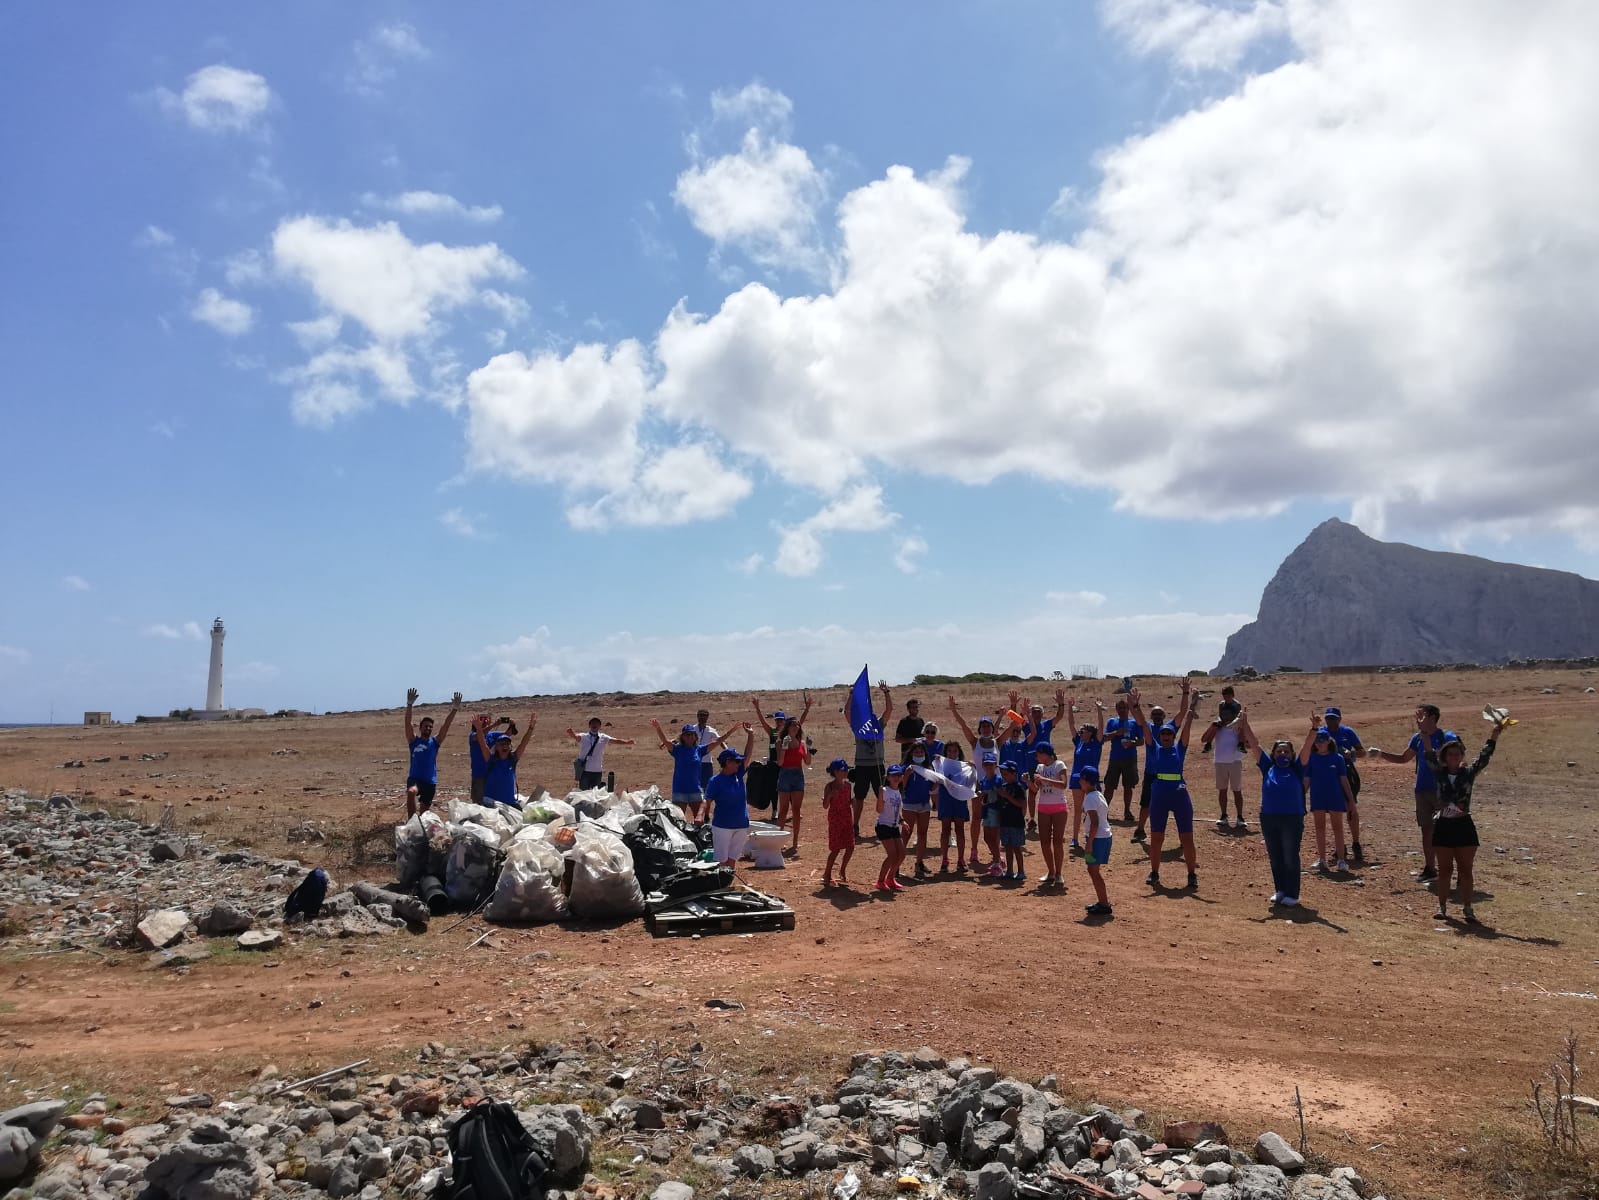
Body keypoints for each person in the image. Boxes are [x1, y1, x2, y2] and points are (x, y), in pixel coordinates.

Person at [1424, 713, 1510, 923]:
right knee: (1444, 870)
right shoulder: (1439, 773)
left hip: (1463, 825)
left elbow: (1485, 756)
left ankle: (1468, 908)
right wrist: (1424, 731)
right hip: (1444, 825)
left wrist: (1495, 734)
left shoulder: (1469, 773)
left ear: (1462, 756)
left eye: (1457, 754)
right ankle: (1442, 907)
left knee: (1465, 870)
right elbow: (1428, 753)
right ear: (1445, 757)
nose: (1454, 757)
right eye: (1450, 754)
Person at [1370, 704, 1456, 883]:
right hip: (1422, 789)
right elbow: (1404, 758)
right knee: (1426, 830)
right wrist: (1380, 754)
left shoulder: (1447, 737)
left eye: (1422, 715)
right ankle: (1430, 868)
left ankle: (1449, 869)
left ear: (1432, 717)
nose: (1418, 719)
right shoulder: (1417, 738)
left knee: (1446, 831)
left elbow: (1454, 759)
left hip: (1442, 791)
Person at [1238, 708, 1311, 907]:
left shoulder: (1298, 768)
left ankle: (1292, 894)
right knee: (1275, 856)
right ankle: (1280, 890)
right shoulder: (1267, 767)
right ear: (1273, 754)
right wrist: (1245, 724)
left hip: (1292, 818)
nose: (1282, 754)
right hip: (1269, 818)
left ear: (1292, 754)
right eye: (1279, 751)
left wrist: (1313, 729)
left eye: (1286, 751)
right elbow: (1254, 744)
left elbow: (1307, 747)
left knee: (1290, 855)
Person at [1129, 685, 1200, 889]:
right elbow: (1144, 725)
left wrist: (1193, 703)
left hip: (1179, 795)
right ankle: (1154, 873)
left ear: (1173, 736)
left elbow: (1187, 724)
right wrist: (1136, 706)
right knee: (1157, 837)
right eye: (1164, 734)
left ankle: (1192, 874)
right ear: (1160, 737)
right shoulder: (1154, 748)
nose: (1166, 735)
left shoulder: (1180, 748)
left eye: (1169, 734)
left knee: (1186, 837)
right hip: (1159, 795)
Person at [948, 698, 1016, 870]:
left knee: (996, 818)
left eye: (988, 726)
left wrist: (1013, 707)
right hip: (979, 785)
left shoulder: (998, 742)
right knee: (977, 818)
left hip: (996, 785)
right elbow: (963, 725)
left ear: (992, 728)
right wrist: (954, 711)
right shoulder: (975, 742)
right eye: (983, 726)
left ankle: (996, 852)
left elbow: (1012, 726)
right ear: (979, 729)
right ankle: (974, 849)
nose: (986, 729)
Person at [1131, 679, 1189, 843]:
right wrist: (1135, 705)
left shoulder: (1170, 728)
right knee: (1145, 803)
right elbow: (1140, 720)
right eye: (1154, 714)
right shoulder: (1148, 728)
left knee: (1176, 806)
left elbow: (1182, 712)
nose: (1157, 716)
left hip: (1169, 774)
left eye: (1159, 714)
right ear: (1151, 716)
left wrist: (1185, 693)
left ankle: (1183, 837)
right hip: (1151, 773)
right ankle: (1140, 830)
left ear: (1164, 716)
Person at [648, 719, 729, 824]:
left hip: (695, 790)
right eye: (687, 735)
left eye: (692, 734)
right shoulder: (677, 750)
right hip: (679, 791)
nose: (690, 737)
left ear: (695, 736)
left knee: (699, 821)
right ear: (682, 737)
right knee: (678, 821)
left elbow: (717, 742)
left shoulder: (699, 750)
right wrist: (658, 728)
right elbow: (665, 741)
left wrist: (731, 731)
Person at [1302, 712, 1355, 873]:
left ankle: (1341, 860)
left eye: (1322, 741)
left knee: (1337, 828)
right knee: (1319, 828)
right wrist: (1300, 797)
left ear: (1328, 742)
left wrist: (1351, 800)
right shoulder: (1312, 758)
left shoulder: (1337, 758)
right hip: (1318, 796)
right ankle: (1322, 859)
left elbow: (1344, 780)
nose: (1319, 744)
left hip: (1335, 797)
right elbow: (1307, 780)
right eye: (1317, 741)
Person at [913, 741, 975, 874]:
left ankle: (961, 859)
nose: (952, 753)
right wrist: (938, 763)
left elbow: (970, 783)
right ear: (945, 752)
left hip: (959, 800)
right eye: (949, 751)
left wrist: (973, 768)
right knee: (945, 829)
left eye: (955, 751)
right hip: (945, 799)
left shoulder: (964, 766)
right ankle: (944, 860)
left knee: (960, 830)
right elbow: (935, 779)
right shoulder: (941, 765)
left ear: (959, 753)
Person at [704, 723, 758, 867]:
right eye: (736, 761)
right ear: (727, 762)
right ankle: (723, 880)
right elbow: (707, 800)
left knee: (732, 860)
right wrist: (702, 815)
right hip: (722, 826)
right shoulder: (715, 781)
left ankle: (729, 878)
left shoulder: (738, 774)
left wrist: (751, 735)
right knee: (722, 861)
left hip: (741, 824)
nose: (739, 764)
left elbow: (748, 755)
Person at [404, 687, 460, 817]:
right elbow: (407, 723)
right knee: (411, 792)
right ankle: (412, 821)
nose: (428, 728)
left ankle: (420, 823)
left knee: (424, 814)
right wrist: (409, 704)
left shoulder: (435, 742)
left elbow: (446, 725)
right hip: (415, 779)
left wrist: (455, 709)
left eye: (430, 727)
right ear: (420, 728)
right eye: (426, 726)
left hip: (430, 782)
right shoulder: (413, 741)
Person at [1321, 707, 1365, 859]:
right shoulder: (1321, 732)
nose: (1331, 721)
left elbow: (1362, 751)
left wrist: (1351, 753)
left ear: (1339, 719)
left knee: (1351, 807)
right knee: (1334, 811)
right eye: (1328, 718)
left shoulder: (1347, 732)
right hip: (1328, 773)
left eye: (1334, 718)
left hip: (1347, 771)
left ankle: (1356, 843)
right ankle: (1341, 846)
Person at [1201, 685, 1247, 830]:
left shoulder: (1236, 714)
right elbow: (1203, 738)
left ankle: (1240, 816)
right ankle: (1224, 815)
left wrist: (1239, 723)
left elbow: (1241, 720)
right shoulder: (1219, 722)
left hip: (1235, 761)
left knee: (1237, 790)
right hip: (1220, 761)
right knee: (1222, 790)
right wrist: (1214, 726)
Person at [851, 681, 893, 842]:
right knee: (859, 797)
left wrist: (886, 693)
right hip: (862, 766)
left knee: (882, 795)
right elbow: (847, 712)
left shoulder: (879, 725)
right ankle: (855, 825)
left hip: (877, 765)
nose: (872, 718)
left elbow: (889, 710)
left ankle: (886, 823)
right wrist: (851, 695)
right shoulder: (859, 727)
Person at [1068, 698, 1107, 853]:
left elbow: (1101, 727)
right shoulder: (1079, 742)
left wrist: (1099, 709)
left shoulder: (1096, 743)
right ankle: (1074, 839)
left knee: (1092, 809)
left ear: (1090, 733)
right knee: (1078, 809)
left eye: (1083, 731)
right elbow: (1071, 724)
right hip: (1077, 779)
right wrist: (1069, 707)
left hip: (1091, 780)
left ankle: (1092, 836)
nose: (1080, 733)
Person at [1029, 741, 1070, 888]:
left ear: (1046, 754)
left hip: (1059, 807)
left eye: (1038, 754)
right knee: (1044, 842)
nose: (1036, 757)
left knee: (1057, 842)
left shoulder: (1059, 765)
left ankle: (1059, 874)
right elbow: (1036, 789)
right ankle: (1051, 872)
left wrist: (1044, 779)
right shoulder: (1040, 767)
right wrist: (1028, 782)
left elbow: (1063, 785)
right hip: (1043, 807)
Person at [476, 712, 536, 808]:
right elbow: (482, 743)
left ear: (510, 747)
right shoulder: (491, 760)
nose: (505, 746)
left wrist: (531, 728)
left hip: (510, 804)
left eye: (507, 744)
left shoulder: (513, 760)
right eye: (502, 744)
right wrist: (478, 728)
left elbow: (524, 743)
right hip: (492, 804)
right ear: (496, 747)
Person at [1102, 698, 1144, 822]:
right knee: (1109, 786)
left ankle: (1127, 811)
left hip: (1130, 758)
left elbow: (1141, 741)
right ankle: (1104, 812)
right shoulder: (1111, 722)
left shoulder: (1134, 723)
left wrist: (1132, 743)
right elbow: (1104, 738)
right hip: (1115, 758)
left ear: (1128, 709)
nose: (1122, 710)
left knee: (1128, 786)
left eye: (1124, 708)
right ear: (1116, 709)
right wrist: (1116, 733)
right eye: (1119, 708)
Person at [1078, 765, 1112, 916]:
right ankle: (1102, 902)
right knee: (1093, 870)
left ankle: (1104, 904)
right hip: (1103, 837)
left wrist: (1089, 844)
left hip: (1097, 839)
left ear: (1085, 781)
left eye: (1081, 780)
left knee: (1093, 871)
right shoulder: (1097, 794)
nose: (1079, 782)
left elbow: (1095, 822)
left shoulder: (1090, 799)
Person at [565, 717, 635, 790]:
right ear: (589, 725)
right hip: (585, 771)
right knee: (584, 792)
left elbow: (615, 741)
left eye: (597, 723)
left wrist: (627, 742)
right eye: (593, 723)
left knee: (596, 793)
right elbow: (576, 737)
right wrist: (571, 733)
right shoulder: (584, 736)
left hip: (597, 771)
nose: (594, 725)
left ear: (599, 726)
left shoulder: (603, 737)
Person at [901, 741, 937, 877]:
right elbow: (901, 786)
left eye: (921, 752)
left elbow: (932, 787)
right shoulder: (906, 768)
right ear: (911, 753)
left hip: (924, 804)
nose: (919, 754)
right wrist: (907, 775)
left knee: (922, 834)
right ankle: (896, 864)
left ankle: (919, 863)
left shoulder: (929, 768)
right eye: (916, 752)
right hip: (909, 805)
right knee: (906, 834)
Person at [822, 758, 856, 887]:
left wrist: (853, 802)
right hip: (835, 819)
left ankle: (842, 870)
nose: (846, 772)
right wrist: (829, 796)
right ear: (835, 772)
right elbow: (825, 806)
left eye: (846, 770)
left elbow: (848, 801)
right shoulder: (829, 786)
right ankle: (827, 873)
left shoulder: (848, 786)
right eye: (843, 770)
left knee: (850, 846)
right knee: (835, 848)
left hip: (847, 817)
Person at [875, 764, 908, 892]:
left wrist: (902, 821)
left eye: (898, 775)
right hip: (884, 826)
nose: (896, 777)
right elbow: (879, 810)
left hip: (894, 826)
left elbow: (896, 810)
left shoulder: (897, 792)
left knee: (902, 854)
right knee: (892, 855)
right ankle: (880, 881)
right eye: (893, 775)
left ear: (902, 777)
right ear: (888, 777)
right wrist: (880, 796)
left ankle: (890, 878)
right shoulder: (884, 791)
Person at [468, 715, 514, 804]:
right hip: (479, 774)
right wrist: (494, 725)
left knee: (491, 801)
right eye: (482, 719)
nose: (485, 721)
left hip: (491, 774)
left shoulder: (492, 735)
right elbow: (479, 735)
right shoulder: (473, 735)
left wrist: (512, 725)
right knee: (478, 801)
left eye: (487, 718)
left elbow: (507, 735)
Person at [996, 761, 1028, 881]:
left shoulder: (1019, 787)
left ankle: (1021, 871)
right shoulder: (1004, 787)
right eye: (1002, 773)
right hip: (1005, 822)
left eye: (1006, 773)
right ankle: (1009, 871)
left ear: (1014, 773)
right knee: (1007, 847)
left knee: (1016, 848)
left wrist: (1007, 796)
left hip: (1016, 823)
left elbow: (1021, 804)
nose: (1003, 776)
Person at [975, 752, 1004, 875]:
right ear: (983, 766)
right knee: (988, 837)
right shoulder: (983, 780)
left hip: (996, 811)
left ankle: (997, 863)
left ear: (995, 765)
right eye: (986, 764)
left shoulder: (999, 780)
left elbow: (1002, 796)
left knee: (993, 837)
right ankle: (998, 860)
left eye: (991, 764)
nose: (988, 767)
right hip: (987, 811)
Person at [692, 709, 720, 793]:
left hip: (707, 762)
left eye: (704, 716)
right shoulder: (692, 729)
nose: (702, 718)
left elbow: (719, 741)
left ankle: (705, 800)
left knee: (707, 786)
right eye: (700, 716)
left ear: (707, 717)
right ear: (697, 716)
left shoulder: (711, 730)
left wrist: (726, 749)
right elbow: (681, 738)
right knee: (694, 784)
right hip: (694, 761)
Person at [894, 696, 926, 764]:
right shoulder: (904, 722)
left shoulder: (921, 721)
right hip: (907, 754)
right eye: (913, 707)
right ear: (908, 709)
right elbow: (898, 739)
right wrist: (912, 740)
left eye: (916, 707)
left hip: (919, 754)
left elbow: (924, 737)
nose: (916, 709)